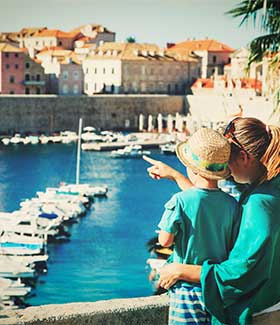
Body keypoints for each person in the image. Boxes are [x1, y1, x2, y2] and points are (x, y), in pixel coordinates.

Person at [144, 117, 280, 325]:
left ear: (243, 157)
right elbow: (212, 205)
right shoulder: (271, 188)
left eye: (228, 159)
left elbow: (241, 271)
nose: (225, 170)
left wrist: (180, 270)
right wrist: (177, 177)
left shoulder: (259, 204)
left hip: (258, 310)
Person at [155, 128, 240, 324]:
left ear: (191, 168)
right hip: (215, 288)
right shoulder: (232, 204)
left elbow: (164, 241)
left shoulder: (180, 201)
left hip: (186, 289)